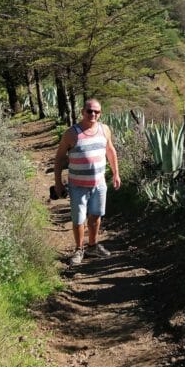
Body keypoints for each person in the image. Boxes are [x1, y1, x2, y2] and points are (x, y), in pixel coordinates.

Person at [53, 98, 121, 265]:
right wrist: (58, 182)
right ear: (82, 112)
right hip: (77, 185)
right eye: (89, 111)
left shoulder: (105, 130)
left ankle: (92, 245)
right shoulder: (71, 133)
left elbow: (110, 151)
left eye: (96, 112)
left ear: (100, 114)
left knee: (96, 216)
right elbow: (60, 158)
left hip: (99, 184)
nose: (93, 114)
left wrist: (116, 174)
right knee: (78, 220)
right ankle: (78, 249)